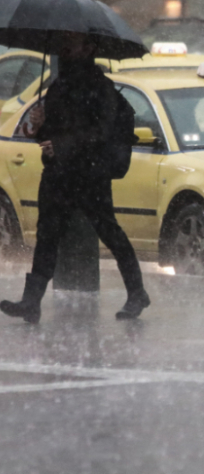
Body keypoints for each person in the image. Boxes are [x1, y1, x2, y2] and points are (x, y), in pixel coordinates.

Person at [0, 34, 149, 323]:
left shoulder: (102, 88)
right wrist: (39, 126)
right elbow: (49, 136)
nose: (65, 47)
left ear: (89, 48)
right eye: (65, 43)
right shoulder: (58, 86)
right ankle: (32, 302)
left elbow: (101, 133)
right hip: (58, 175)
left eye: (74, 43)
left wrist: (63, 144)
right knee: (47, 237)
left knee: (109, 232)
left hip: (90, 175)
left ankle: (137, 292)